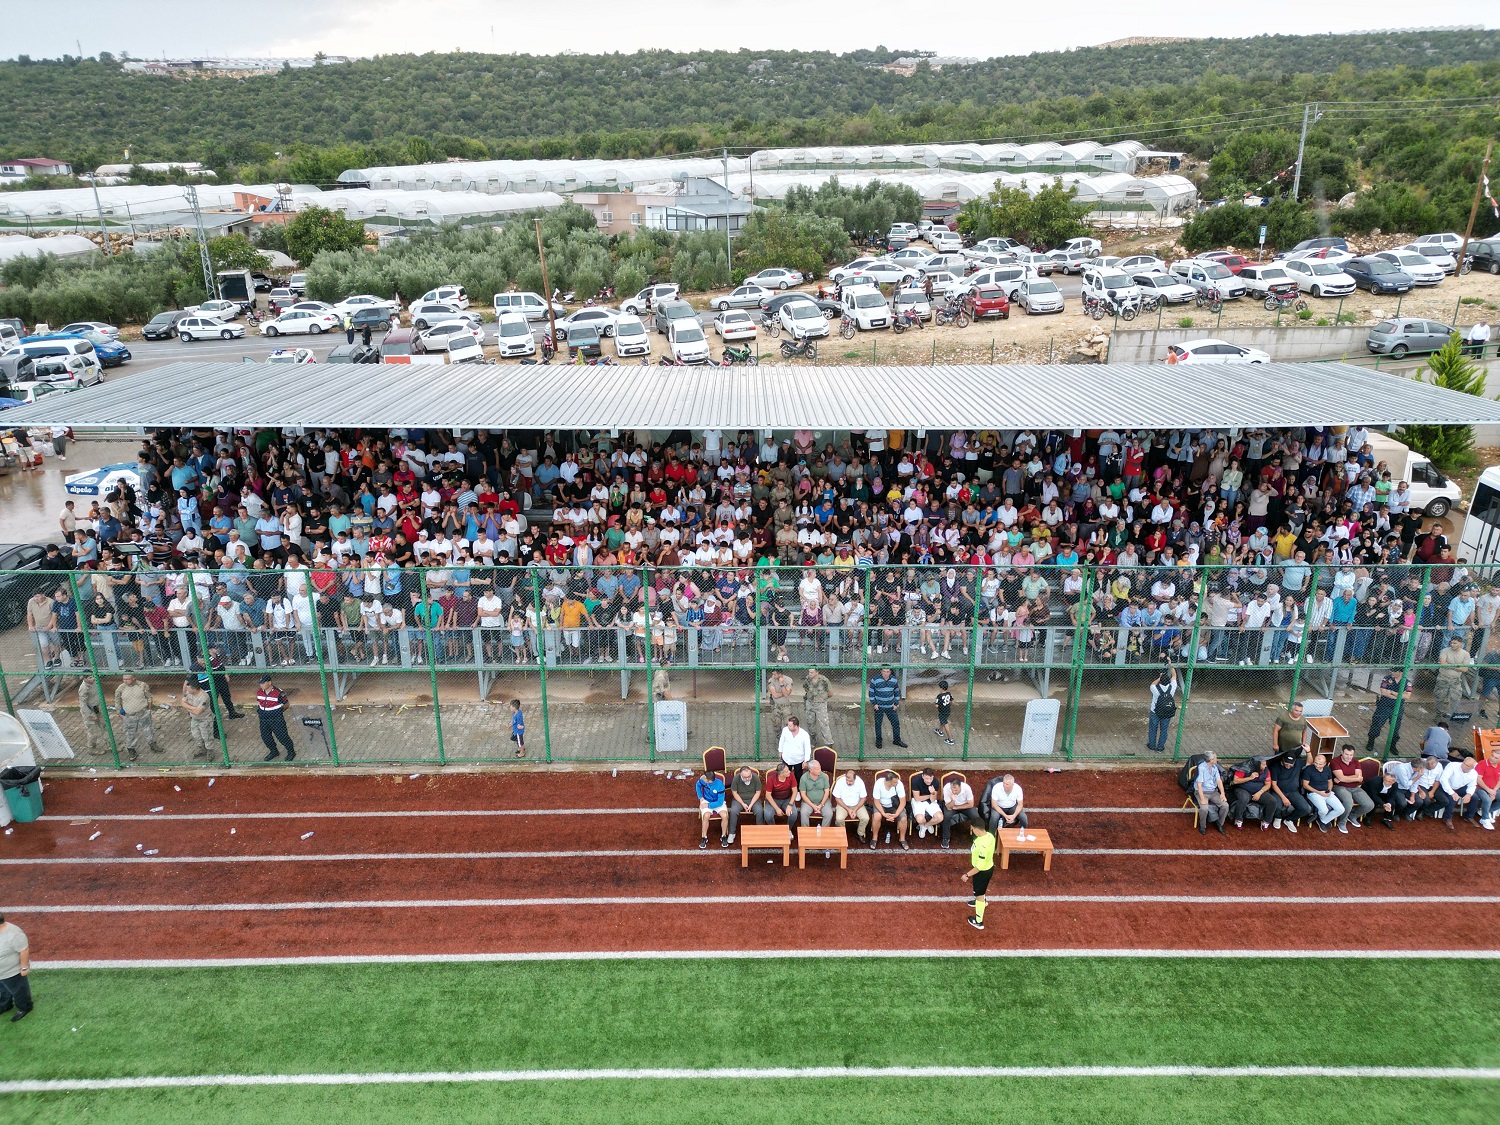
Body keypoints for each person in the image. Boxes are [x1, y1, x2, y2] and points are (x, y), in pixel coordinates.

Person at [113, 673, 160, 761]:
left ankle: (153, 744)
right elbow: (117, 701)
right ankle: (131, 749)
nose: (125, 681)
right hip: (129, 715)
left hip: (143, 712)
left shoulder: (142, 685)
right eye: (124, 679)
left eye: (128, 679)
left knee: (148, 729)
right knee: (130, 733)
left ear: (134, 678)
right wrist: (119, 712)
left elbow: (149, 696)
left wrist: (149, 709)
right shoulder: (121, 688)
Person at [1366, 670, 1412, 755]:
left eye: (1394, 671)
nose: (1391, 673)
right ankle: (1371, 741)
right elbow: (1383, 692)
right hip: (1384, 705)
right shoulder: (1387, 678)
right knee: (1377, 723)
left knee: (1395, 727)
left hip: (1397, 708)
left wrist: (1392, 692)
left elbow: (1407, 696)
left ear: (1400, 672)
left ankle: (1392, 745)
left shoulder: (1407, 682)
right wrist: (1399, 696)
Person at [961, 823, 996, 931]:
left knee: (979, 894)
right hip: (989, 867)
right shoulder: (989, 835)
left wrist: (967, 875)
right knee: (982, 889)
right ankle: (982, 901)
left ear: (977, 829)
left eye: (973, 829)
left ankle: (978, 921)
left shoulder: (982, 846)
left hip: (982, 872)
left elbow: (979, 867)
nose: (972, 831)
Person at [1331, 744, 1374, 830]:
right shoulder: (1334, 761)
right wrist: (1352, 777)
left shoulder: (1356, 761)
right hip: (1339, 786)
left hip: (1355, 787)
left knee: (1369, 805)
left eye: (1351, 755)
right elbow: (1342, 778)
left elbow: (1359, 778)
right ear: (1342, 752)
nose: (1349, 757)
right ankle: (1342, 822)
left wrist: (1344, 778)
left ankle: (1352, 816)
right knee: (1348, 803)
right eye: (1346, 754)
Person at [255, 674, 296, 762]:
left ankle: (291, 752)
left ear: (269, 682)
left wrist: (277, 713)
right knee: (265, 737)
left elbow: (286, 705)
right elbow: (260, 703)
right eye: (260, 683)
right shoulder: (259, 692)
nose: (261, 685)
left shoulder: (279, 693)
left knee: (282, 736)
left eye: (263, 683)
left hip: (276, 719)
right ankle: (274, 751)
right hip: (263, 719)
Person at [1229, 756, 1276, 830]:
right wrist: (1250, 778)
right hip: (1243, 789)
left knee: (1272, 801)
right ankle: (1238, 819)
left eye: (1265, 764)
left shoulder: (1266, 771)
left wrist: (1259, 793)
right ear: (1257, 765)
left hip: (1258, 791)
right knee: (1243, 798)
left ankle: (1266, 821)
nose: (1266, 766)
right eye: (1263, 764)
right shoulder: (1244, 768)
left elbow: (1268, 784)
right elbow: (1235, 781)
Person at [1267, 751, 1310, 832]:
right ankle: (1278, 817)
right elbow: (1274, 784)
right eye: (1286, 763)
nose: (1288, 765)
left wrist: (1308, 752)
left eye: (1291, 763)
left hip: (1293, 791)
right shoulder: (1275, 767)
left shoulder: (1298, 763)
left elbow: (1309, 762)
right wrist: (1283, 798)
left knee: (1304, 808)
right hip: (1278, 792)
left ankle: (1289, 820)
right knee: (1277, 806)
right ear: (1283, 760)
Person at [1433, 637, 1474, 721]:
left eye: (1455, 643)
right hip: (1443, 678)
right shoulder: (1444, 651)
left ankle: (1452, 715)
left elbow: (1465, 669)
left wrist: (1450, 665)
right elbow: (1443, 664)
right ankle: (1438, 715)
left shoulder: (1465, 654)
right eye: (1451, 643)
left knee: (1456, 698)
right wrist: (1457, 666)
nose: (1452, 644)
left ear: (1461, 644)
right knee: (1439, 697)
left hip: (1456, 679)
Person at [0, 914, 31, 1022]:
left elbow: (24, 950)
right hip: (1, 973)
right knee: (2, 990)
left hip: (11, 972)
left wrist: (24, 968)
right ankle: (5, 1004)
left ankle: (25, 1007)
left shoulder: (14, 934)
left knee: (19, 991)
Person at [1301, 752, 1342, 833]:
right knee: (1324, 810)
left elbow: (1330, 782)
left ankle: (1322, 821)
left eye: (1320, 764)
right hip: (1313, 793)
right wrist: (1319, 792)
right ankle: (1323, 819)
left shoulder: (1327, 769)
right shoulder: (1308, 770)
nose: (1317, 765)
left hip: (1326, 792)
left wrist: (1329, 790)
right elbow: (1305, 785)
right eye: (1315, 763)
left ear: (1325, 764)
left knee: (1341, 809)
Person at [940, 771, 983, 849]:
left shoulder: (967, 788)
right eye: (952, 789)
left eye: (955, 790)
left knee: (976, 816)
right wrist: (953, 801)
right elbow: (949, 807)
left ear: (960, 787)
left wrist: (957, 807)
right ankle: (946, 838)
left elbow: (971, 804)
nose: (953, 792)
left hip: (965, 806)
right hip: (951, 805)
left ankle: (976, 838)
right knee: (946, 817)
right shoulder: (946, 788)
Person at [868, 666, 907, 749]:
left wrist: (896, 704)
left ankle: (897, 740)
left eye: (888, 671)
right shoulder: (875, 680)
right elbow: (871, 692)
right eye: (884, 671)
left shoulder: (894, 680)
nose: (886, 673)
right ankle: (879, 741)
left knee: (896, 723)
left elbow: (897, 692)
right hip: (879, 707)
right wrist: (874, 704)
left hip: (891, 707)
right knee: (878, 724)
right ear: (881, 671)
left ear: (890, 672)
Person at [178, 677, 217, 761]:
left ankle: (210, 751)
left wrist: (188, 708)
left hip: (205, 719)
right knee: (196, 735)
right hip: (194, 719)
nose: (186, 690)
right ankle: (202, 749)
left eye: (188, 688)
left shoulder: (204, 697)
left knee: (207, 736)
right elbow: (182, 702)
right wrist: (193, 708)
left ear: (194, 689)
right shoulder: (189, 693)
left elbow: (198, 712)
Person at [870, 769, 908, 849]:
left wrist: (896, 814)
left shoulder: (899, 784)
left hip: (894, 806)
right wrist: (883, 814)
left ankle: (902, 839)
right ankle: (874, 838)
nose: (897, 783)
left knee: (903, 818)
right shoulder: (878, 784)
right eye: (895, 782)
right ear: (888, 782)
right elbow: (876, 801)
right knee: (877, 816)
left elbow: (903, 802)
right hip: (881, 805)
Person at [1437, 755, 1479, 830]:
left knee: (1474, 797)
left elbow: (1472, 785)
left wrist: (1468, 795)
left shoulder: (1474, 773)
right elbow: (1444, 779)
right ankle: (1447, 818)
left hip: (1459, 787)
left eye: (1467, 766)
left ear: (1472, 768)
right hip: (1446, 786)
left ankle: (1469, 816)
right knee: (1452, 798)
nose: (1464, 766)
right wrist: (1452, 792)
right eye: (1464, 763)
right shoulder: (1452, 765)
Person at [727, 764, 765, 842]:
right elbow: (734, 793)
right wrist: (743, 804)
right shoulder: (736, 778)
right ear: (741, 774)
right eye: (745, 777)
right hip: (739, 800)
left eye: (749, 776)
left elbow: (758, 792)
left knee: (760, 811)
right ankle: (731, 833)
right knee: (733, 811)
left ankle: (760, 831)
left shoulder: (755, 777)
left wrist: (751, 804)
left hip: (753, 799)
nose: (747, 778)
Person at [1194, 751, 1229, 835]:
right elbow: (1199, 785)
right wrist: (1202, 799)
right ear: (1210, 759)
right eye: (1215, 758)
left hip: (1213, 792)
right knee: (1204, 808)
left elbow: (1219, 781)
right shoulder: (1201, 768)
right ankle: (1202, 826)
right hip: (1202, 792)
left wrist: (1222, 794)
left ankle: (1219, 823)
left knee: (1225, 805)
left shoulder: (1214, 767)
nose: (1217, 759)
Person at [1376, 758, 1416, 829]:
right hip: (1379, 792)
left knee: (1392, 803)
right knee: (1374, 802)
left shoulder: (1394, 784)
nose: (1387, 782)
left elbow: (1392, 797)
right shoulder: (1402, 769)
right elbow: (1406, 784)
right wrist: (1383, 804)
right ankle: (1368, 818)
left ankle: (1386, 819)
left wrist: (1388, 804)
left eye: (1389, 781)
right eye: (1386, 780)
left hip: (1398, 790)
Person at [831, 767, 869, 840]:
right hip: (843, 805)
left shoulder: (860, 782)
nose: (848, 783)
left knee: (865, 818)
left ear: (855, 778)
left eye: (851, 781)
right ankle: (842, 833)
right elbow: (837, 798)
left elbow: (863, 798)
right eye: (847, 780)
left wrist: (855, 810)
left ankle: (860, 833)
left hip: (857, 805)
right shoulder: (840, 781)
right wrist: (848, 809)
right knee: (839, 819)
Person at [797, 758, 834, 832]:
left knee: (829, 813)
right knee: (803, 813)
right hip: (808, 802)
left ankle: (824, 832)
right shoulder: (804, 778)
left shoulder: (824, 776)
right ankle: (805, 833)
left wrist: (821, 804)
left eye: (820, 768)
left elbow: (827, 791)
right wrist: (813, 806)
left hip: (823, 801)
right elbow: (803, 794)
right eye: (817, 769)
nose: (820, 770)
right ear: (810, 770)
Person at [1148, 664, 1178, 754]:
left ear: (1160, 681)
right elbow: (1174, 675)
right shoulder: (1172, 687)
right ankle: (1160, 747)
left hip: (1155, 711)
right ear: (1169, 681)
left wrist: (1159, 677)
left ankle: (1152, 746)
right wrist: (1170, 664)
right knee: (1164, 730)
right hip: (1167, 712)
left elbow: (1153, 683)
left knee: (1153, 729)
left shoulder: (1155, 688)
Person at [695, 766, 728, 848]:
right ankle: (704, 837)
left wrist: (708, 805)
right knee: (706, 816)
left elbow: (720, 802)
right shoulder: (703, 780)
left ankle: (723, 836)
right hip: (706, 800)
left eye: (705, 778)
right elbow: (697, 785)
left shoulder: (720, 785)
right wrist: (700, 797)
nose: (703, 778)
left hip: (717, 803)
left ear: (709, 780)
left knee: (725, 816)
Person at [802, 667, 834, 749]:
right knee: (810, 723)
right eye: (809, 672)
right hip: (810, 703)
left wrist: (822, 698)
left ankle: (829, 743)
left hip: (820, 704)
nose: (810, 674)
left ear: (817, 672)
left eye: (812, 672)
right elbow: (806, 688)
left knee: (824, 723)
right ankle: (813, 739)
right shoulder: (807, 679)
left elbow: (830, 693)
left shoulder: (824, 680)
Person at [909, 765, 944, 840]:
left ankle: (925, 826)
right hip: (918, 802)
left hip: (930, 802)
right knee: (919, 819)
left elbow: (933, 800)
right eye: (927, 778)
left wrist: (933, 793)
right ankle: (922, 825)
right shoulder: (916, 781)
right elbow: (917, 798)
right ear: (923, 776)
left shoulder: (935, 782)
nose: (929, 781)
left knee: (940, 817)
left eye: (930, 778)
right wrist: (930, 794)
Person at [762, 761, 797, 831]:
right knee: (768, 815)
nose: (789, 772)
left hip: (787, 799)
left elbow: (795, 791)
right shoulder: (771, 778)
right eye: (787, 771)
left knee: (793, 814)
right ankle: (774, 829)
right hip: (774, 799)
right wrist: (777, 809)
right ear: (781, 774)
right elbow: (768, 795)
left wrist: (790, 805)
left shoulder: (791, 775)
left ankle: (788, 829)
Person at [933, 679, 955, 747]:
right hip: (948, 710)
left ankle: (950, 739)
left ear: (941, 688)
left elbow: (936, 705)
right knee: (943, 720)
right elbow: (952, 700)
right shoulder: (949, 693)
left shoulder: (939, 696)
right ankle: (940, 731)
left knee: (945, 723)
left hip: (942, 711)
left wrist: (937, 704)